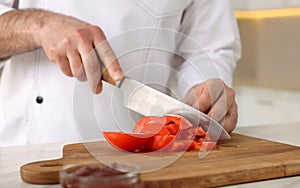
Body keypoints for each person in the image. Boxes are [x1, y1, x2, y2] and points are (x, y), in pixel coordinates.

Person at [0, 0, 241, 146]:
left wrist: (205, 91)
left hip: (143, 155)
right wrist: (38, 26)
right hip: (28, 147)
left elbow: (209, 46)